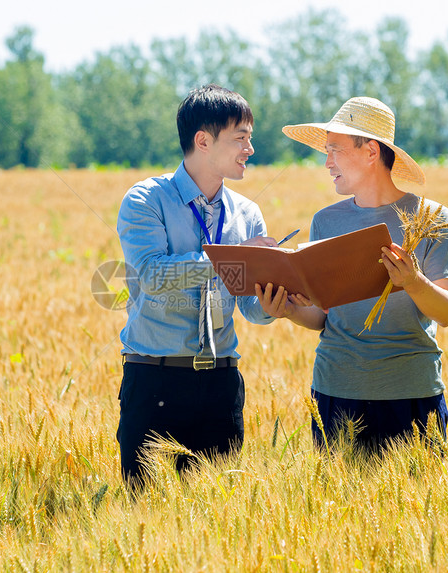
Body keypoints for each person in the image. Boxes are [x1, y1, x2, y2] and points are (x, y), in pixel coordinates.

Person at [258, 96, 448, 453]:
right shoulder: (326, 221)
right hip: (334, 393)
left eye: (335, 150)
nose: (326, 162)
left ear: (371, 151)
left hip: (411, 395)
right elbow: (324, 317)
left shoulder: (432, 218)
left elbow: (446, 313)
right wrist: (288, 310)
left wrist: (413, 281)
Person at [115, 84, 278, 490]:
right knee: (144, 519)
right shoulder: (146, 200)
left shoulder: (247, 212)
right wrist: (236, 255)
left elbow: (250, 307)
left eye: (250, 138)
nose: (250, 149)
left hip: (222, 386)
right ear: (202, 141)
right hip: (155, 382)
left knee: (217, 522)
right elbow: (153, 276)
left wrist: (278, 298)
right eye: (241, 138)